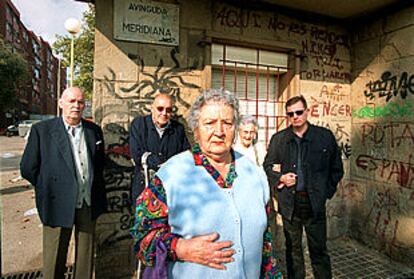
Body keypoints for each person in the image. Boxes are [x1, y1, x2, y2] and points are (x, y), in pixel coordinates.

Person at [131, 89, 283, 278]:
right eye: (209, 123)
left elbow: (265, 245)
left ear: (235, 128)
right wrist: (180, 248)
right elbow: (141, 240)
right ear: (196, 129)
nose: (219, 132)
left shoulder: (255, 175)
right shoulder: (170, 176)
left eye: (227, 123)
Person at [20, 87, 107, 279]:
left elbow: (99, 164)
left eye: (81, 102)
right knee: (54, 256)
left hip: (87, 202)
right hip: (56, 201)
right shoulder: (42, 131)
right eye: (71, 101)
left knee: (85, 255)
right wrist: (49, 187)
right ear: (61, 103)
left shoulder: (94, 131)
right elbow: (27, 168)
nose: (76, 106)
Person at [263, 95, 344, 279]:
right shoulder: (279, 139)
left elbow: (337, 169)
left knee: (319, 250)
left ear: (307, 112)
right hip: (290, 203)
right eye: (291, 114)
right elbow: (267, 167)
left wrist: (325, 193)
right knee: (293, 250)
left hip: (314, 203)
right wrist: (280, 177)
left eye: (299, 112)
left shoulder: (324, 137)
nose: (295, 117)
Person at [129, 93, 190, 202]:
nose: (164, 113)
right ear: (152, 108)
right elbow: (136, 153)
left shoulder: (178, 129)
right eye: (160, 109)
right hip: (144, 188)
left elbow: (186, 155)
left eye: (168, 110)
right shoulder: (139, 125)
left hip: (171, 190)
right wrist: (154, 160)